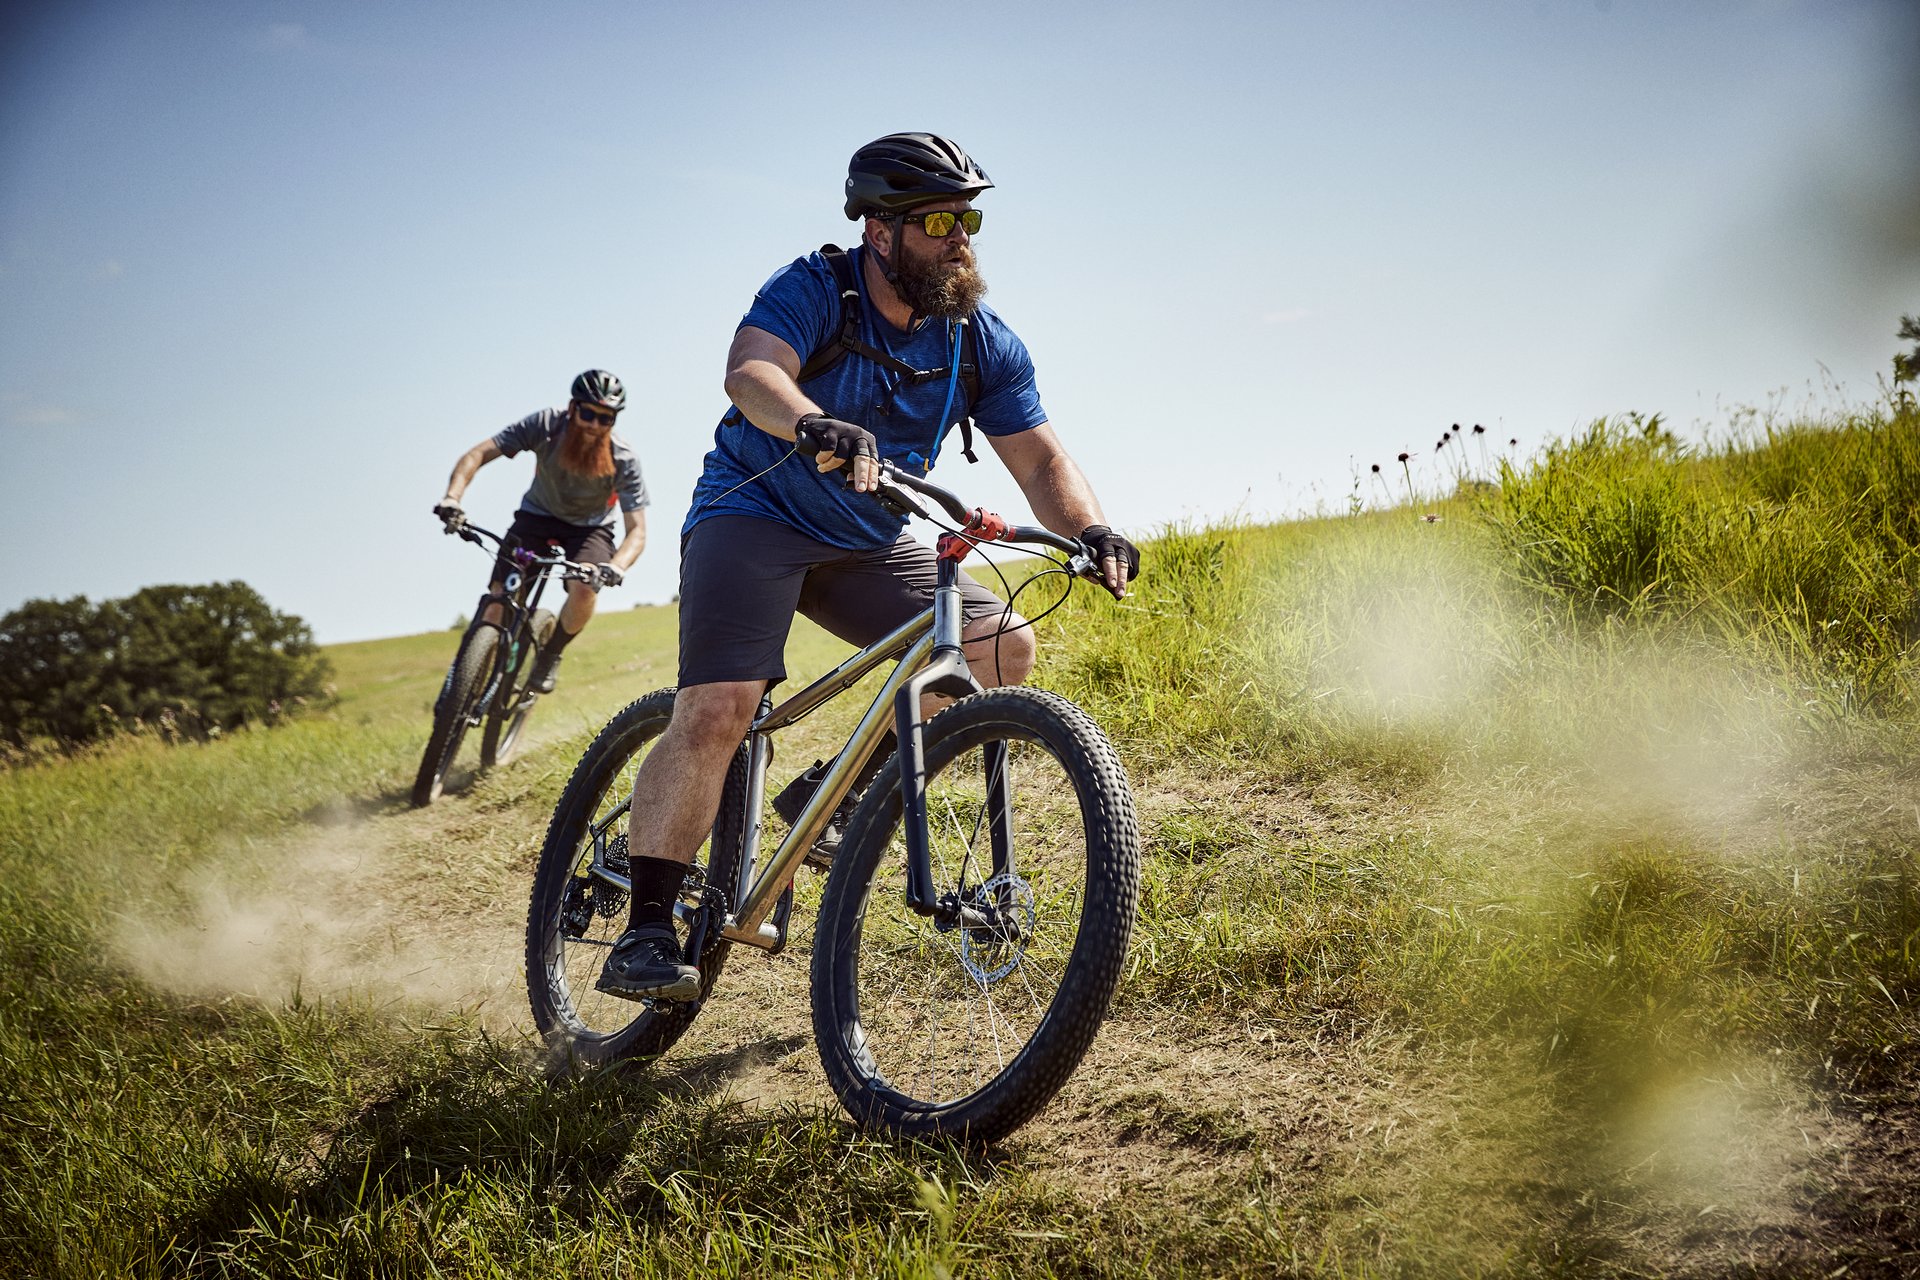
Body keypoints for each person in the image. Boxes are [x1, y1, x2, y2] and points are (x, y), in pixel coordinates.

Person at [597, 133, 1142, 1002]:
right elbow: (752, 373)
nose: (961, 235)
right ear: (880, 231)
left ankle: (839, 796)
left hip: (867, 536)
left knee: (999, 646)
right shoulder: (815, 288)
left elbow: (1040, 463)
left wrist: (1094, 528)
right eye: (938, 218)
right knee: (721, 710)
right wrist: (810, 419)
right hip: (755, 514)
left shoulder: (978, 341)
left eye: (970, 215)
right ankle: (647, 931)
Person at [432, 370, 647, 695]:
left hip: (590, 529)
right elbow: (478, 454)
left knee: (584, 587)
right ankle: (468, 684)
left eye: (606, 419)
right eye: (588, 413)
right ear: (572, 408)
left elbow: (637, 531)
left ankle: (551, 653)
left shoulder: (623, 458)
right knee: (497, 602)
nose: (594, 425)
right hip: (537, 516)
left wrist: (616, 566)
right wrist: (453, 497)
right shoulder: (546, 425)